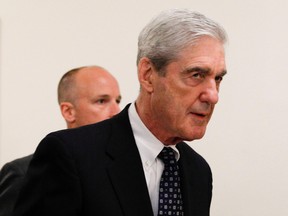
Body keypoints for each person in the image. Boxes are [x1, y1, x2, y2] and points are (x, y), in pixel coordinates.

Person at [12, 9, 227, 216]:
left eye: (217, 79)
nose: (213, 95)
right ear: (148, 75)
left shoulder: (198, 171)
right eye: (197, 74)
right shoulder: (70, 155)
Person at [0, 65, 121, 216]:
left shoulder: (124, 169)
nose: (116, 112)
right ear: (69, 112)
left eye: (117, 101)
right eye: (101, 101)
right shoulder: (23, 173)